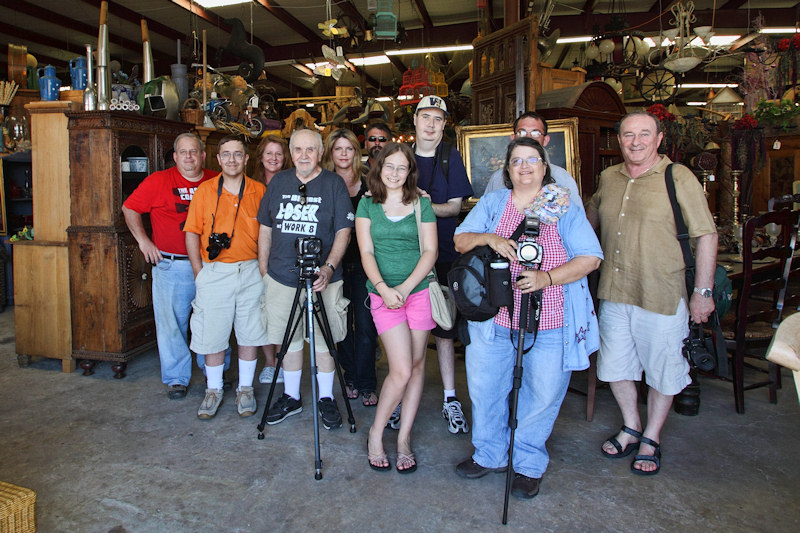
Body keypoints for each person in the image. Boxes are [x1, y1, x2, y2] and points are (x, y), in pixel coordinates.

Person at [453, 136, 603, 499]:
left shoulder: (563, 205)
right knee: (487, 389)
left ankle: (528, 462)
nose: (524, 166)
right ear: (507, 169)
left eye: (532, 160)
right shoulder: (492, 202)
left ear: (544, 166)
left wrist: (546, 278)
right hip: (495, 316)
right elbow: (460, 240)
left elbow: (590, 257)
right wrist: (489, 237)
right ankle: (489, 453)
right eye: (517, 161)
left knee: (544, 392)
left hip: (550, 316)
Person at [586, 111, 717, 476]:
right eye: (629, 135)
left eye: (645, 134)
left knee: (663, 369)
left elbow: (706, 234)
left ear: (659, 139)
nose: (636, 142)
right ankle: (631, 424)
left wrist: (702, 292)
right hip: (614, 290)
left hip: (661, 291)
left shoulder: (679, 177)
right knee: (615, 366)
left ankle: (651, 436)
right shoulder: (608, 177)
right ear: (619, 140)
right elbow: (591, 215)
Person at [257, 128, 354, 430]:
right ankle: (291, 396)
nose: (303, 156)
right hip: (281, 277)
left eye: (310, 150)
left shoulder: (334, 184)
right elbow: (265, 228)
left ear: (320, 152)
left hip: (323, 277)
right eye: (297, 150)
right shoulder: (279, 182)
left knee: (325, 342)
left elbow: (343, 231)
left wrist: (328, 266)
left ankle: (326, 398)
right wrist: (264, 271)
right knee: (291, 340)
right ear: (290, 152)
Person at [122, 132, 224, 400]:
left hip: (211, 265)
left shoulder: (217, 179)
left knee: (212, 320)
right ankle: (177, 378)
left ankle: (212, 370)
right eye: (183, 152)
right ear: (175, 157)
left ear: (203, 155)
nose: (189, 157)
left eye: (194, 152)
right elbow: (129, 208)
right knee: (172, 325)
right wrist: (144, 242)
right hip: (172, 265)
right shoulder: (158, 181)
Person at [356, 142, 438, 473]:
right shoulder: (366, 204)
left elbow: (430, 251)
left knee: (417, 366)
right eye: (389, 166)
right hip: (382, 295)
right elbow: (366, 253)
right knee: (401, 368)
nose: (394, 173)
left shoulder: (421, 203)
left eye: (401, 168)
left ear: (409, 172)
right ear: (379, 168)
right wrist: (384, 289)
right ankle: (376, 434)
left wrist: (404, 288)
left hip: (417, 292)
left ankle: (403, 438)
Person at [184, 135, 268, 420]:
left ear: (246, 159)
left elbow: (268, 234)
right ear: (217, 159)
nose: (232, 159)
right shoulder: (205, 191)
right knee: (212, 332)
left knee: (250, 332)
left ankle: (246, 388)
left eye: (238, 154)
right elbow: (192, 232)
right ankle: (213, 389)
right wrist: (199, 273)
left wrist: (264, 269)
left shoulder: (259, 191)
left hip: (252, 270)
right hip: (215, 272)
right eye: (226, 154)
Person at [410, 95, 473, 434]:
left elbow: (455, 207)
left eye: (438, 119)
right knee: (408, 328)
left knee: (445, 328)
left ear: (444, 124)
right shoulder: (401, 158)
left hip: (445, 254)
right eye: (425, 117)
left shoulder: (451, 156)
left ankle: (450, 398)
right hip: (406, 256)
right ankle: (404, 396)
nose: (431, 124)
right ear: (415, 121)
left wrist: (421, 204)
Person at [322, 129, 379, 407]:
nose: (344, 154)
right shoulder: (324, 184)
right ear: (330, 153)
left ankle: (367, 382)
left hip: (367, 265)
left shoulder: (370, 182)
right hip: (336, 266)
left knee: (367, 326)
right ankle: (351, 376)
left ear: (357, 152)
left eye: (349, 149)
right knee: (341, 325)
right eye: (338, 149)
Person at [253, 134, 291, 386]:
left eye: (278, 154)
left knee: (282, 313)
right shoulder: (252, 185)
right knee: (262, 312)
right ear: (261, 157)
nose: (274, 158)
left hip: (283, 256)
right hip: (254, 254)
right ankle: (270, 362)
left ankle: (286, 359)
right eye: (269, 153)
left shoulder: (292, 183)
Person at [484, 111, 582, 206]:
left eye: (536, 133)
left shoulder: (562, 177)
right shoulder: (497, 178)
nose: (528, 137)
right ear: (513, 138)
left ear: (546, 140)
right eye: (521, 132)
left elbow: (578, 220)